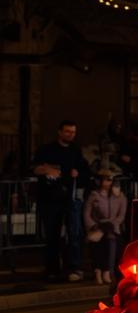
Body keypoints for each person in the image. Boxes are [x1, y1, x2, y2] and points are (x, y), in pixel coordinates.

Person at [32, 120, 90, 281]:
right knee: (52, 235)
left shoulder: (75, 151)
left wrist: (77, 174)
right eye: (67, 132)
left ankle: (72, 267)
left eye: (73, 132)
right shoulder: (47, 150)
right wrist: (48, 170)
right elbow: (34, 168)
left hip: (69, 199)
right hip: (50, 198)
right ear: (60, 132)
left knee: (73, 233)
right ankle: (52, 269)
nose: (70, 135)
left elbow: (85, 171)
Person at [82, 169, 127, 285]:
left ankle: (107, 271)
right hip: (98, 226)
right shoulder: (94, 195)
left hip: (113, 227)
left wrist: (112, 225)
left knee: (111, 239)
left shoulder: (120, 196)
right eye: (105, 179)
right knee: (99, 241)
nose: (107, 182)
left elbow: (121, 216)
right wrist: (93, 225)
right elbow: (87, 213)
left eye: (110, 180)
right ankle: (98, 270)